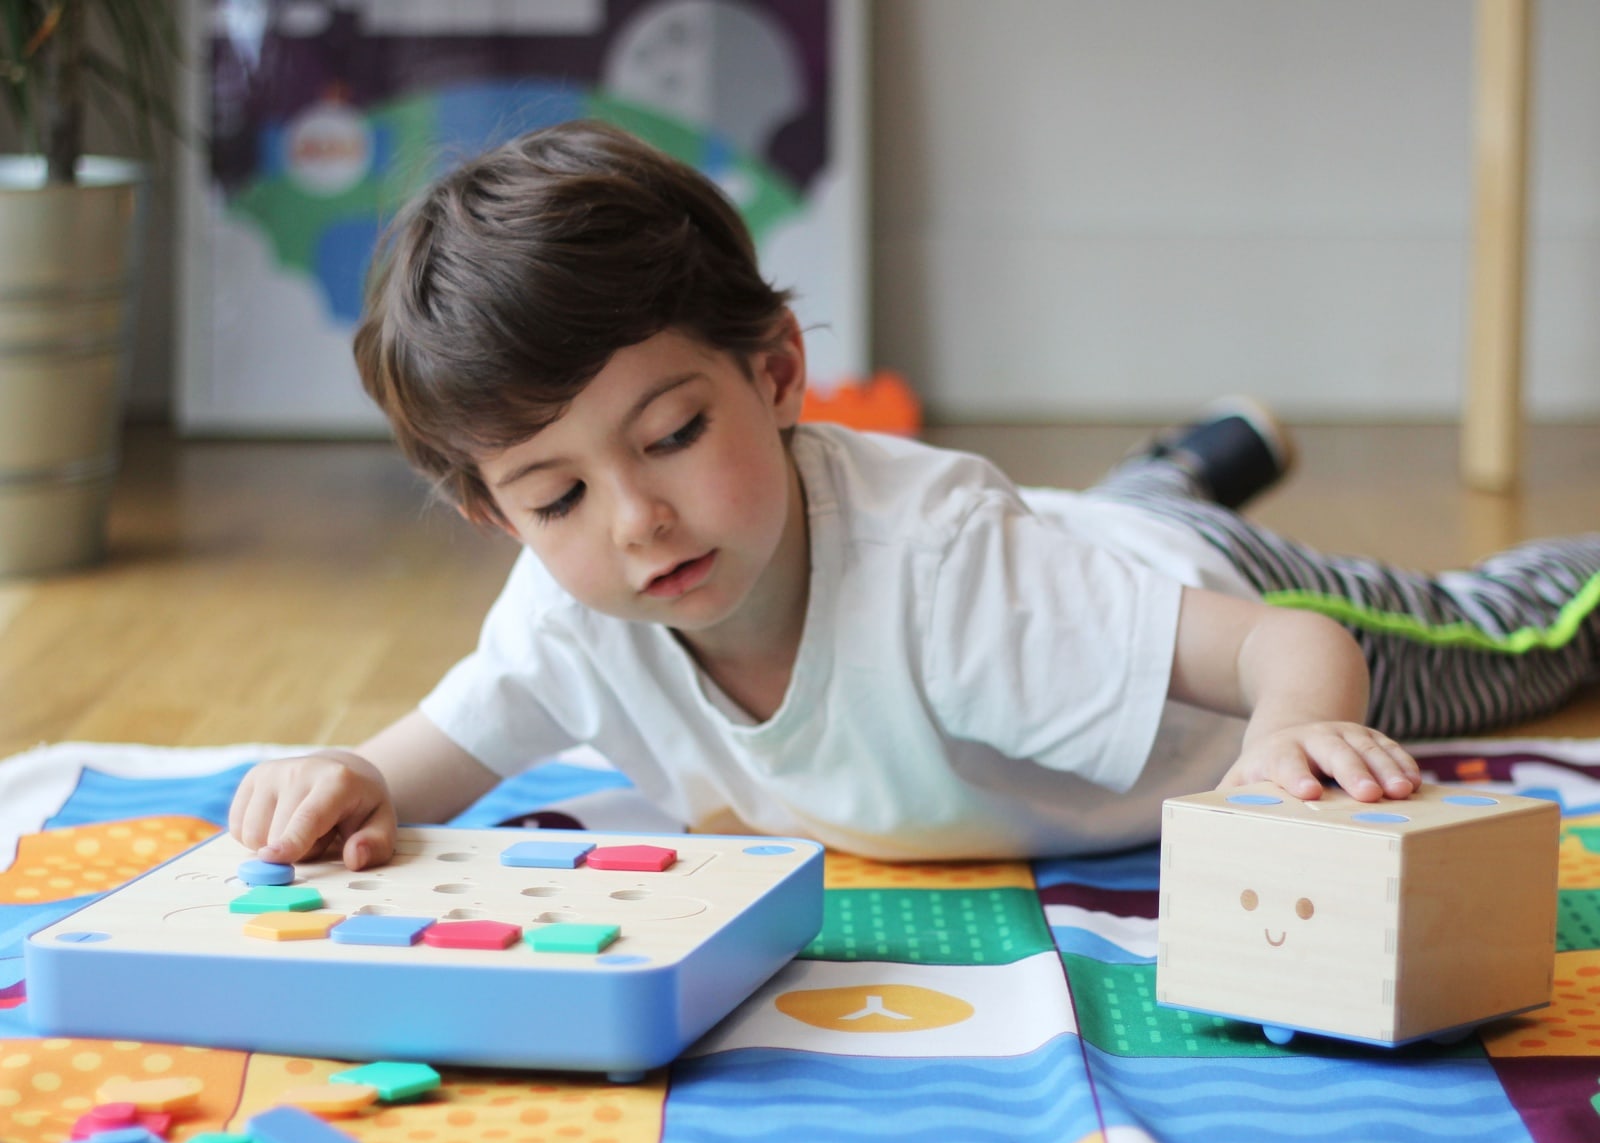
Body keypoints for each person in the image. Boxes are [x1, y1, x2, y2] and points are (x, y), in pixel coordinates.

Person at [229, 119, 1600, 870]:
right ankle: (1192, 447)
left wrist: (1289, 747)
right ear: (494, 513)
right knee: (1061, 525)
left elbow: (1298, 648)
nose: (633, 520)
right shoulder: (575, 606)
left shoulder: (956, 580)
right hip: (1059, 549)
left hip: (1196, 588)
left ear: (777, 370)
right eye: (555, 495)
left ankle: (1194, 476)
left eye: (669, 434)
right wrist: (347, 777)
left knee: (1519, 637)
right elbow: (423, 764)